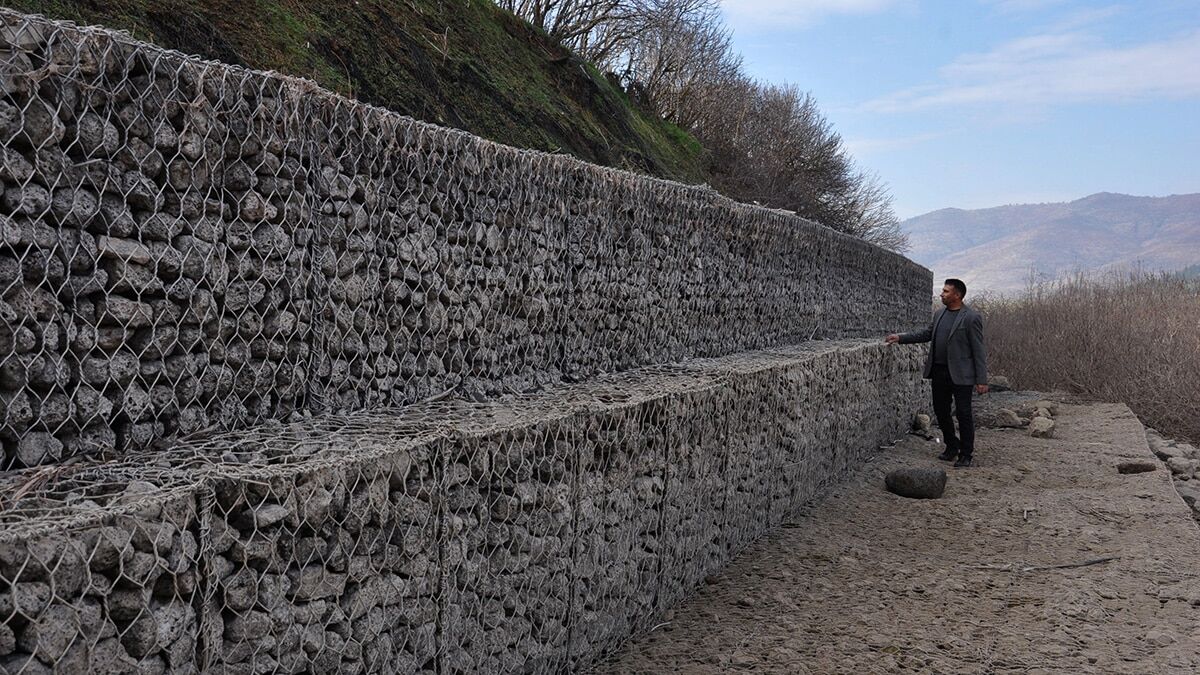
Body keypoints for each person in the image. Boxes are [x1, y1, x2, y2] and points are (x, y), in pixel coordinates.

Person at [885, 278, 989, 467]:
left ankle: (966, 454)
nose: (941, 294)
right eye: (943, 290)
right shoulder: (939, 314)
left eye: (946, 291)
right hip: (939, 371)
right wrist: (900, 338)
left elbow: (978, 350)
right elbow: (927, 334)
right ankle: (951, 445)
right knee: (941, 411)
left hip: (962, 375)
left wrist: (981, 379)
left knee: (964, 414)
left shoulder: (971, 317)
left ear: (957, 295)